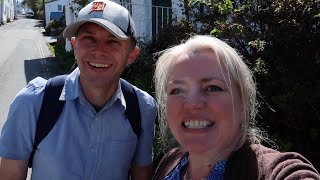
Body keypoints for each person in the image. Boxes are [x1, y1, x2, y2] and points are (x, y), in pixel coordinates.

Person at [0, 0, 157, 179]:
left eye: (112, 41)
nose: (99, 51)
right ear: (75, 46)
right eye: (89, 39)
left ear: (132, 54)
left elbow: (141, 174)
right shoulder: (33, 102)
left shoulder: (142, 108)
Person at [152, 35, 320, 180]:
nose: (192, 103)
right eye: (177, 90)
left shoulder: (279, 171)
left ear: (243, 103)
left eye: (212, 88)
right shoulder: (171, 162)